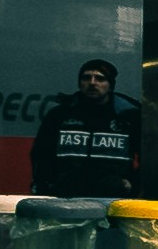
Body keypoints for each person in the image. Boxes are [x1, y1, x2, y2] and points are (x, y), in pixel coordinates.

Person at [30, 57, 135, 198]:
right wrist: (47, 184)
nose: (92, 83)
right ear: (80, 83)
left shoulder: (127, 117)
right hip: (65, 197)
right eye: (86, 78)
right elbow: (41, 154)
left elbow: (148, 158)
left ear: (110, 85)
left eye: (100, 78)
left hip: (113, 198)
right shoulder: (59, 115)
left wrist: (132, 184)